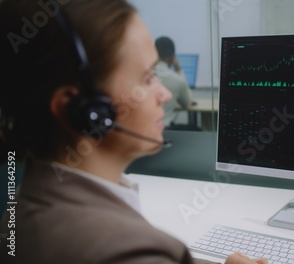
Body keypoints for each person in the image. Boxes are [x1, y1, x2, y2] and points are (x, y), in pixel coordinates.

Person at [0, 0, 267, 263]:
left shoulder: (23, 206)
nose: (163, 94)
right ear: (84, 109)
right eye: (148, 77)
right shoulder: (125, 251)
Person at [155, 36, 194, 128]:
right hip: (163, 131)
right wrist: (179, 70)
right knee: (195, 128)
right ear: (172, 56)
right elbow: (187, 102)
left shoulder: (141, 75)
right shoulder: (176, 79)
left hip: (140, 130)